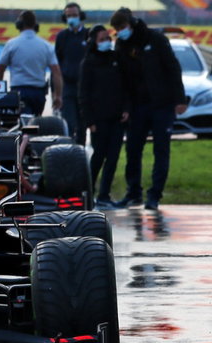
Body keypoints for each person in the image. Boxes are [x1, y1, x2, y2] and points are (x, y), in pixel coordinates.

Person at [110, 7, 187, 212]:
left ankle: (154, 195)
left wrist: (179, 99)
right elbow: (121, 79)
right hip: (137, 106)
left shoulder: (156, 39)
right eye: (117, 29)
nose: (121, 31)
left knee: (161, 150)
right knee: (133, 149)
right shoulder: (121, 44)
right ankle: (133, 192)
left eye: (123, 27)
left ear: (132, 24)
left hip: (162, 105)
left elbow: (173, 68)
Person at [79, 22, 128, 206]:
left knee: (113, 157)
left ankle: (104, 195)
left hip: (117, 117)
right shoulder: (88, 62)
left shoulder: (116, 58)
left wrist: (126, 108)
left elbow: (125, 86)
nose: (106, 42)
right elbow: (83, 94)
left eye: (108, 38)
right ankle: (88, 193)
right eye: (102, 39)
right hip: (98, 119)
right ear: (94, 41)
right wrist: (89, 120)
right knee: (98, 156)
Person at [0, 10, 63, 117]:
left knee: (22, 125)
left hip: (18, 91)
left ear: (19, 25)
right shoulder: (46, 45)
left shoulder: (12, 44)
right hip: (39, 93)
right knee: (35, 125)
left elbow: (0, 71)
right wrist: (58, 96)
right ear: (35, 25)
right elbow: (56, 73)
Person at [54, 3, 89, 143]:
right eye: (68, 16)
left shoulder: (88, 35)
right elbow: (56, 65)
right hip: (67, 87)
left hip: (85, 87)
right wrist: (55, 92)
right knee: (69, 123)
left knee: (82, 125)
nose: (71, 18)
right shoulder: (61, 36)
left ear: (80, 16)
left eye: (74, 15)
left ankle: (80, 154)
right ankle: (67, 152)